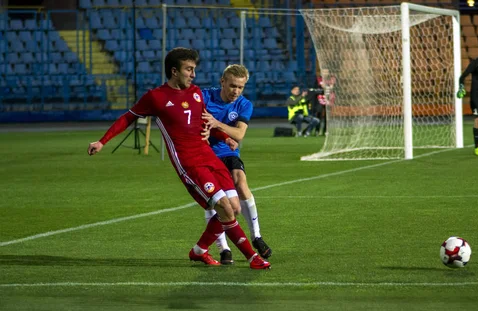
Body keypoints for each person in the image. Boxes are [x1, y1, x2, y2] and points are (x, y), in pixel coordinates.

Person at [87, 47, 270, 270]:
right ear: (174, 71)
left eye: (194, 69)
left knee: (234, 206)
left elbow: (204, 123)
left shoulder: (195, 93)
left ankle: (199, 251)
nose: (193, 74)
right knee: (224, 207)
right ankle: (253, 258)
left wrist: (223, 136)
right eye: (189, 69)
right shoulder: (156, 97)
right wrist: (102, 141)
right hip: (189, 163)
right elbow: (128, 118)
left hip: (209, 156)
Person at [200, 64, 272, 265]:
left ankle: (256, 236)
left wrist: (216, 123)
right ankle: (223, 248)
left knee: (241, 182)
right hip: (205, 155)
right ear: (222, 82)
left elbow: (239, 134)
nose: (236, 91)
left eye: (240, 87)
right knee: (214, 199)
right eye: (232, 86)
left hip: (228, 153)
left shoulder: (244, 104)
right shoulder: (205, 97)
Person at [313, 68, 336, 136]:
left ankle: (325, 131)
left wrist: (332, 87)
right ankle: (317, 130)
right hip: (320, 98)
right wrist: (321, 88)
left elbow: (335, 88)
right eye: (323, 72)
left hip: (329, 99)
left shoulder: (332, 79)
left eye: (326, 72)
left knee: (327, 116)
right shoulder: (318, 79)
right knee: (319, 114)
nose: (325, 73)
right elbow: (315, 89)